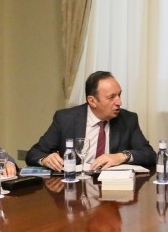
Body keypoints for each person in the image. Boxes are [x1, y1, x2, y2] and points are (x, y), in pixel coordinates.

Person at [25, 71, 156, 170]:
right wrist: (45, 159)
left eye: (119, 95)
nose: (119, 102)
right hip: (75, 188)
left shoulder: (128, 119)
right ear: (92, 101)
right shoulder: (65, 119)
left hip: (113, 189)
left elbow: (150, 155)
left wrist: (120, 156)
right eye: (111, 97)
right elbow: (34, 153)